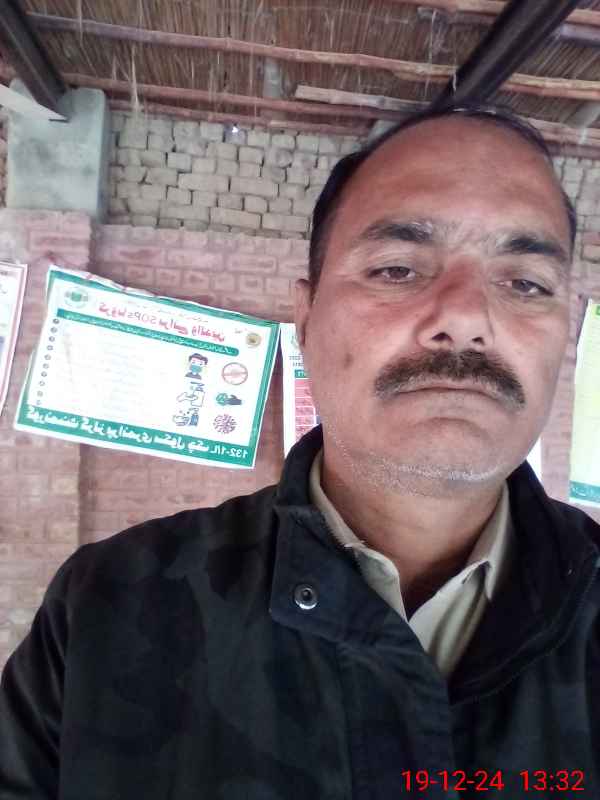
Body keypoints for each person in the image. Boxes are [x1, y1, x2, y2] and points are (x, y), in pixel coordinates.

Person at [1, 103, 600, 798]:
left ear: (565, 334)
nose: (466, 316)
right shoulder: (109, 607)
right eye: (397, 269)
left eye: (526, 283)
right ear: (306, 320)